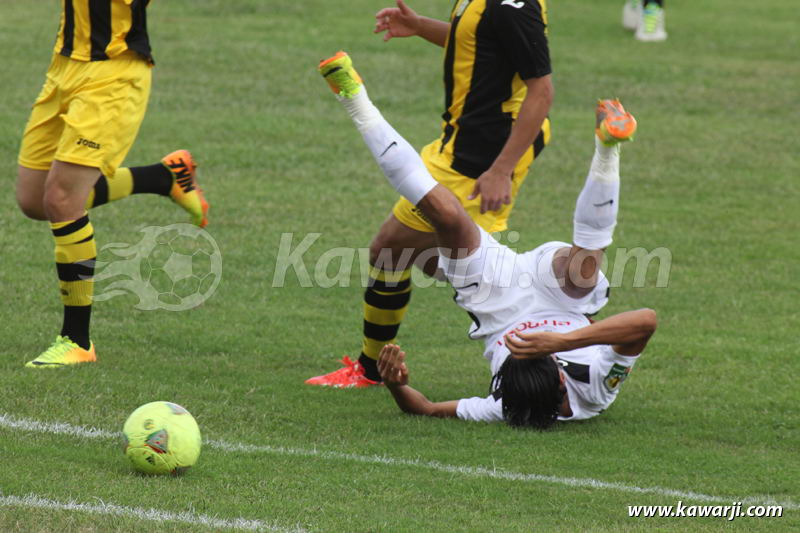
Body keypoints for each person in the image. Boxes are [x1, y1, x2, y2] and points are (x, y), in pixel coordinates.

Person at [320, 52, 656, 427]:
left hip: (496, 301)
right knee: (583, 270)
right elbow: (645, 321)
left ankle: (353, 97)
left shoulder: (506, 403)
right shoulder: (595, 391)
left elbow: (427, 409)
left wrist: (396, 384)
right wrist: (560, 342)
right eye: (541, 359)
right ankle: (608, 148)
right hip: (561, 299)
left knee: (444, 213)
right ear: (563, 384)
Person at [307, 0, 554, 388]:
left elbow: (542, 90)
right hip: (463, 142)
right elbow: (478, 46)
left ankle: (371, 369)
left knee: (393, 250)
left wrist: (501, 170)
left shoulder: (511, 6)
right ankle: (558, 319)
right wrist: (421, 26)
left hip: (482, 152)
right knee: (432, 259)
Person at [16, 1, 209, 368]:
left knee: (60, 199)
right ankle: (164, 176)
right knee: (33, 200)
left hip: (114, 75)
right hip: (65, 66)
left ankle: (77, 340)